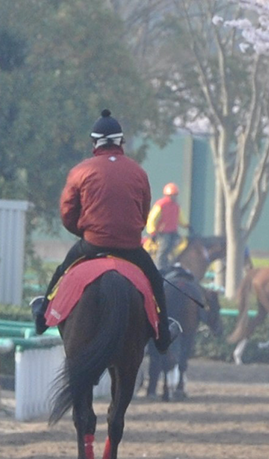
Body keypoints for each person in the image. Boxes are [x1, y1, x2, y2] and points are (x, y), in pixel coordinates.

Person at [32, 110, 178, 352]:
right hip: (131, 247)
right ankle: (162, 334)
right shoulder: (139, 172)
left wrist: (85, 232)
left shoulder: (80, 171)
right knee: (155, 279)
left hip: (92, 244)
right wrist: (128, 232)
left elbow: (68, 214)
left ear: (94, 143)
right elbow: (142, 215)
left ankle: (42, 317)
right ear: (120, 142)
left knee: (61, 271)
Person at [147, 182, 183, 268]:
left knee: (179, 246)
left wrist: (187, 225)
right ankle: (159, 267)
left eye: (175, 195)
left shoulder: (176, 206)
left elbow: (180, 217)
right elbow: (152, 218)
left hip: (173, 232)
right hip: (163, 233)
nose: (174, 197)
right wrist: (152, 231)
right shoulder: (161, 205)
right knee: (164, 248)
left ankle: (170, 265)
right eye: (172, 195)